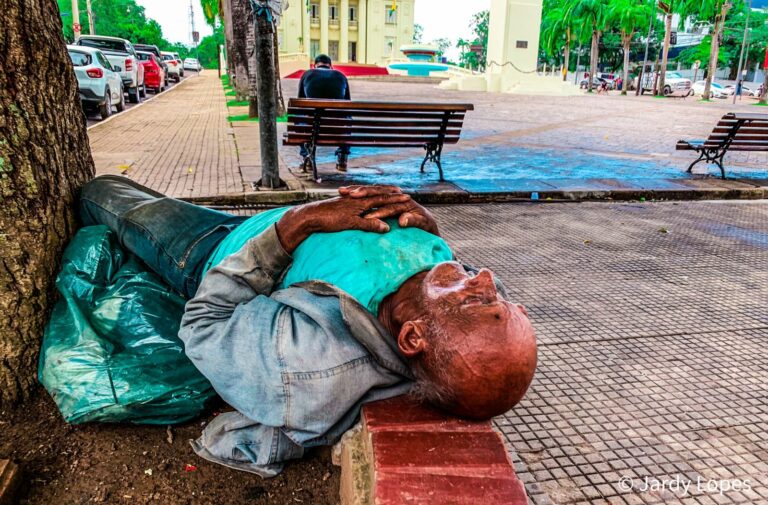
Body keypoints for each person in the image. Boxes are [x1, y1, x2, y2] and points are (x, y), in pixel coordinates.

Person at [78, 175, 538, 476]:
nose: (485, 277)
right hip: (258, 224)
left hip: (208, 249)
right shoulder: (435, 298)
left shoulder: (315, 361)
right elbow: (454, 279)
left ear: (412, 337)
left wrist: (298, 223)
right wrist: (430, 233)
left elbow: (203, 323)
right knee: (136, 191)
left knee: (102, 192)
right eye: (500, 296)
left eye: (477, 302)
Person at [298, 54, 351, 171]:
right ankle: (342, 159)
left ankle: (307, 157)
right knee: (347, 121)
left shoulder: (307, 75)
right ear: (330, 66)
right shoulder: (341, 76)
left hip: (312, 127)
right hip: (336, 128)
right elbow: (347, 104)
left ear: (315, 65)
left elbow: (300, 103)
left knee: (299, 121)